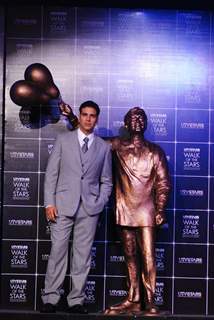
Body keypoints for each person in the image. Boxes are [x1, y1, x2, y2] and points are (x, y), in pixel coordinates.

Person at [60, 104, 170, 316]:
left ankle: (151, 301)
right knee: (130, 257)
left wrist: (160, 209)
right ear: (127, 124)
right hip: (124, 211)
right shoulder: (117, 146)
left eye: (141, 117)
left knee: (148, 257)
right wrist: (73, 118)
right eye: (133, 118)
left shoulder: (156, 151)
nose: (138, 121)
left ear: (146, 123)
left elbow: (163, 184)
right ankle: (134, 298)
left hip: (147, 212)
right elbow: (94, 140)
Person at [40, 100, 112, 314]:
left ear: (96, 119)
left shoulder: (103, 147)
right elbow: (51, 173)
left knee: (82, 256)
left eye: (92, 115)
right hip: (62, 206)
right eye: (85, 114)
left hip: (89, 209)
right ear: (79, 116)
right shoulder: (63, 140)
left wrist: (99, 203)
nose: (88, 119)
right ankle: (50, 298)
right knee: (58, 252)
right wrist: (49, 202)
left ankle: (76, 301)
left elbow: (106, 181)